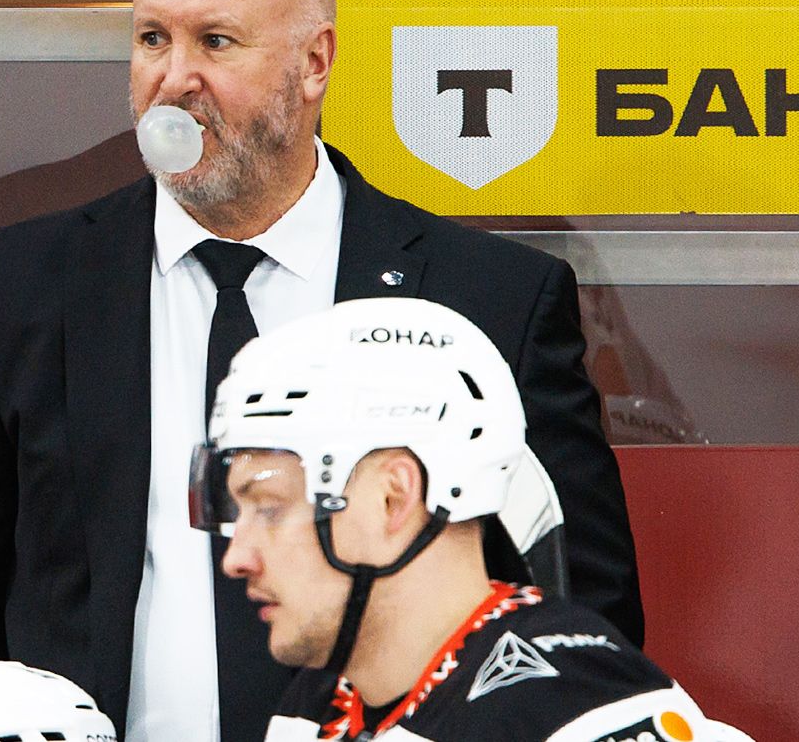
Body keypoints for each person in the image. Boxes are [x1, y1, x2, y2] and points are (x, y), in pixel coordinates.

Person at [0, 0, 641, 742]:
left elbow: (579, 623)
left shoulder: (489, 300)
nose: (174, 79)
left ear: (314, 63)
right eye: (152, 40)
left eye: (215, 41)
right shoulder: (23, 287)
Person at [194, 298, 749, 741]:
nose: (236, 557)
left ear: (393, 497)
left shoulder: (576, 713)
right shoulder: (318, 703)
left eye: (271, 507)